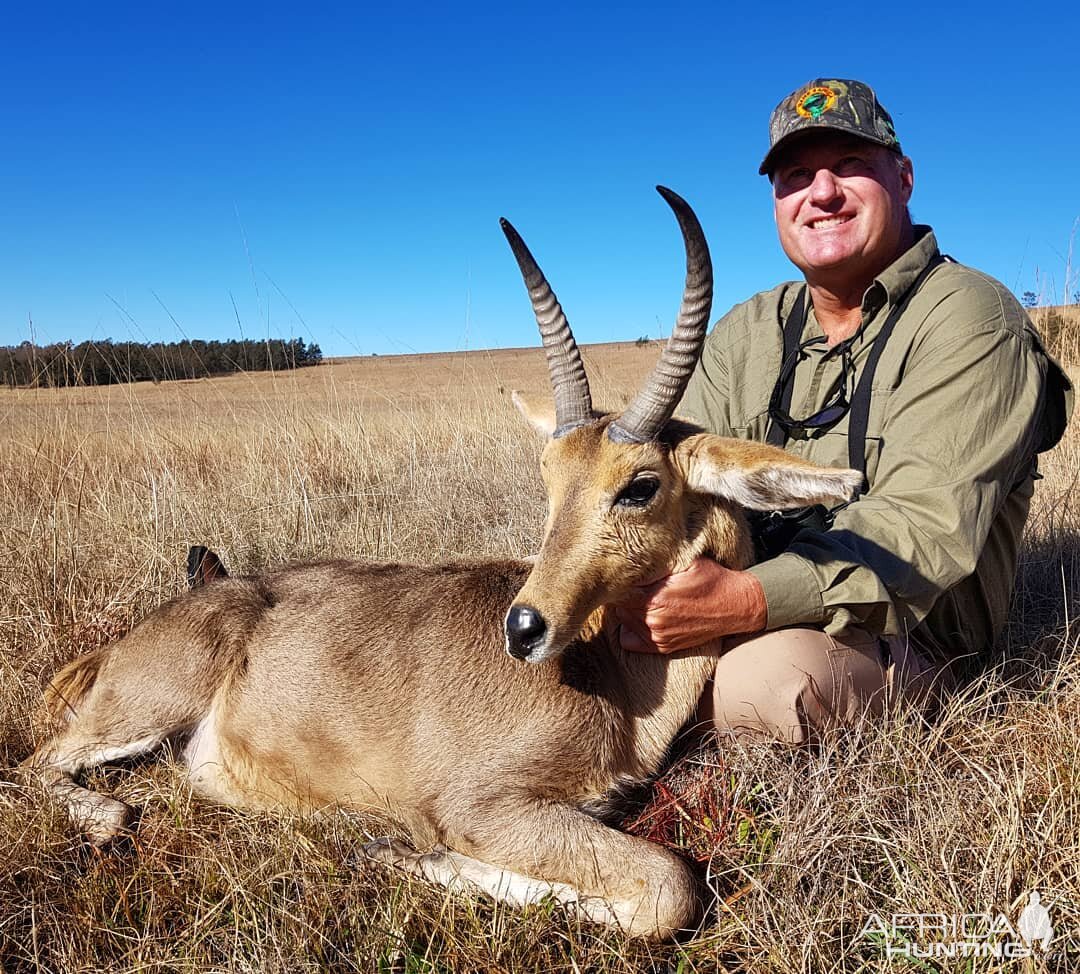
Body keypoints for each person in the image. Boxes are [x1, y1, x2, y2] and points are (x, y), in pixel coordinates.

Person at [615, 78, 1073, 743]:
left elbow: (922, 531)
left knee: (764, 684)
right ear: (776, 203)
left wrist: (743, 602)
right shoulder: (750, 329)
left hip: (908, 634)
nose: (822, 192)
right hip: (743, 604)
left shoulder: (971, 319)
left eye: (850, 165)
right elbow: (674, 484)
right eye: (796, 176)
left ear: (905, 177)